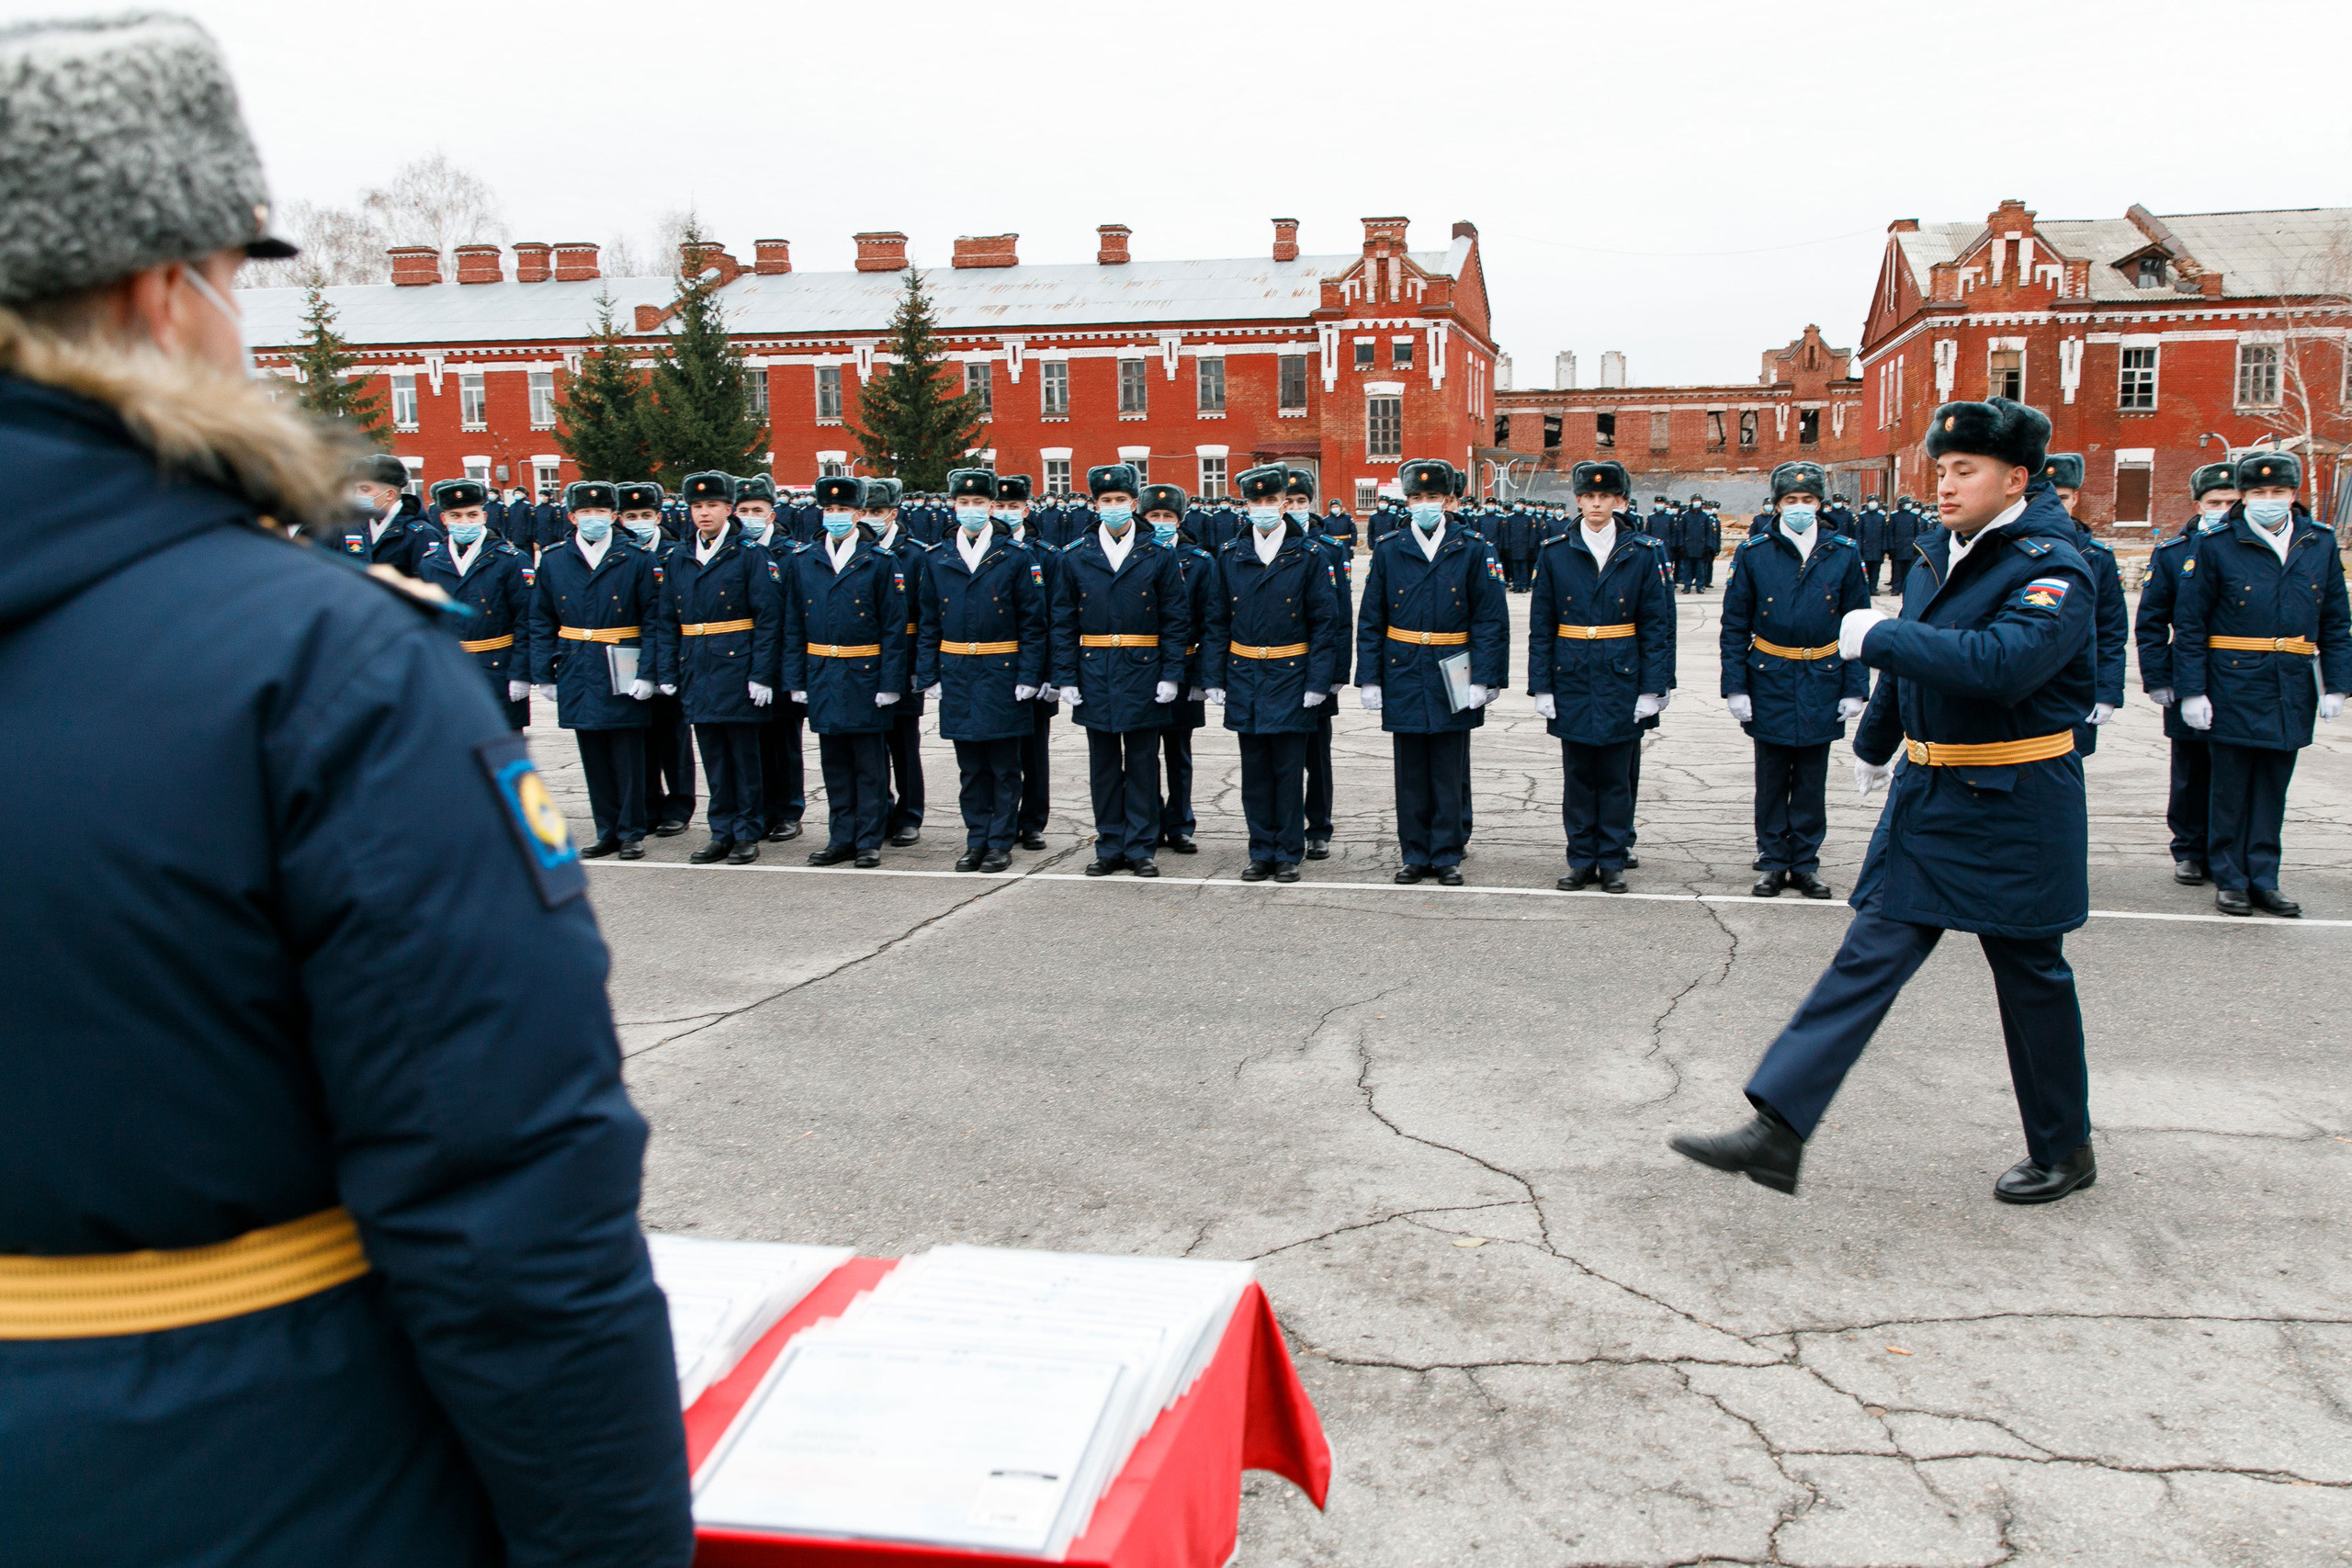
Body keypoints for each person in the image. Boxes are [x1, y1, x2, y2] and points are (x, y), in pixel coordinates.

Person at [0, 21, 693, 1564]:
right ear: (154, 291)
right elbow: (507, 1197)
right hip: (240, 1473)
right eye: (233, 283)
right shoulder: (320, 662)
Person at [1672, 396, 2102, 1204]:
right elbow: (1921, 659)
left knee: (2032, 977)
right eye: (1941, 470)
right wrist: (1876, 741)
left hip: (2018, 802)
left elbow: (2002, 662)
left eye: (1963, 471)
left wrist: (1879, 636)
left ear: (2016, 478)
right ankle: (1777, 1129)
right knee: (1867, 956)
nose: (1944, 485)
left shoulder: (2054, 562)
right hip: (1934, 795)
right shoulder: (1949, 550)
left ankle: (2064, 1147)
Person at [2172, 449, 2351, 917]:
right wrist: (2192, 691)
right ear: (2245, 497)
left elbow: (2335, 619)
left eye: (2278, 492)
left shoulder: (2320, 543)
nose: (2268, 500)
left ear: (2293, 495)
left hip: (2290, 685)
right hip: (2232, 682)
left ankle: (2264, 878)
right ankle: (2230, 878)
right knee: (2229, 789)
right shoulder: (2216, 545)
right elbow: (2190, 624)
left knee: (2273, 788)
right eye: (2257, 492)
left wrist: (2336, 685)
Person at [1720, 461, 1871, 899]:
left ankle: (1804, 863)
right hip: (1769, 676)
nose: (1799, 508)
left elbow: (1857, 622)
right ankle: (1771, 862)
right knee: (1770, 779)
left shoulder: (1843, 552)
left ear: (1820, 504)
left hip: (1823, 675)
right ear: (1777, 505)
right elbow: (1734, 625)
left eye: (1807, 501)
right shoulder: (1754, 552)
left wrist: (1855, 685)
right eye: (1791, 501)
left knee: (1810, 779)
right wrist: (1736, 686)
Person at [1356, 458, 1510, 885]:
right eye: (1417, 498)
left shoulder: (1474, 547)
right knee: (1409, 769)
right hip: (1403, 666)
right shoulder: (1390, 548)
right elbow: (1372, 617)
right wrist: (1369, 678)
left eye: (1433, 497)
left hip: (1454, 667)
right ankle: (1414, 853)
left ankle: (1446, 853)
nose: (1425, 505)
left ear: (1448, 500)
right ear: (1407, 501)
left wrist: (1486, 677)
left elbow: (1490, 618)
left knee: (1447, 763)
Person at [1529, 459, 1674, 892]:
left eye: (1605, 496)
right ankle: (1580, 858)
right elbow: (1542, 624)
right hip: (1571, 672)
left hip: (1621, 675)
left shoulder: (1644, 552)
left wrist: (1654, 687)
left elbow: (1658, 624)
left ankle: (1611, 859)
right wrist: (1542, 685)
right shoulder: (1555, 551)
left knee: (1614, 776)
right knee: (1578, 777)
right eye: (1589, 496)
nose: (1596, 503)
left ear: (1620, 501)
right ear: (1577, 500)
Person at [1201, 462, 1344, 881]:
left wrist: (1319, 682)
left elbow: (1325, 623)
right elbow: (1215, 622)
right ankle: (1260, 850)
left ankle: (1288, 851)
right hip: (1245, 672)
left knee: (1287, 769)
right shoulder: (1230, 555)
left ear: (1284, 504)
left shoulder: (1311, 555)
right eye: (1255, 501)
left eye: (1270, 500)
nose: (1263, 508)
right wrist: (1213, 677)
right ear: (1245, 506)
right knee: (1255, 773)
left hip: (1291, 674)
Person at [1052, 462, 1189, 876]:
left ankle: (1142, 846)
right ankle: (1109, 844)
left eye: (1120, 500)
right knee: (1105, 765)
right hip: (1095, 669)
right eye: (1105, 500)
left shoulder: (1158, 555)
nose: (1113, 506)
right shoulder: (1075, 557)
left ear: (1133, 503)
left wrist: (1171, 673)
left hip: (1143, 670)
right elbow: (1061, 621)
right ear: (1095, 505)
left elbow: (1174, 619)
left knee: (1144, 763)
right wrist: (1066, 677)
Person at [918, 468, 1048, 872]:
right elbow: (927, 622)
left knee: (1004, 765)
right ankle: (976, 838)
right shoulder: (938, 558)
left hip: (1002, 671)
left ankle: (1000, 841)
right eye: (963, 503)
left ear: (991, 507)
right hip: (957, 669)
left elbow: (1033, 623)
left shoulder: (1016, 556)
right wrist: (929, 675)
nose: (970, 510)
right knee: (970, 767)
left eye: (978, 503)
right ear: (953, 506)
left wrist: (1029, 675)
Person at [780, 474, 910, 866]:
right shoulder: (804, 560)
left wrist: (891, 682)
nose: (836, 516)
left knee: (869, 763)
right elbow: (792, 624)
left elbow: (893, 626)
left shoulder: (881, 561)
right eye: (830, 509)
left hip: (865, 673)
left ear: (858, 513)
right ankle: (841, 837)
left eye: (844, 510)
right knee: (834, 762)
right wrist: (795, 679)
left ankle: (868, 839)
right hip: (822, 670)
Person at [531, 479, 664, 858]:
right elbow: (540, 617)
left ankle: (632, 831)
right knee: (593, 753)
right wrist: (543, 673)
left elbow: (653, 619)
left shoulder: (637, 558)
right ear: (572, 516)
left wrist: (647, 673)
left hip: (621, 662)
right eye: (586, 512)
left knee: (628, 754)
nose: (594, 519)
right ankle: (606, 829)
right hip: (576, 663)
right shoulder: (555, 558)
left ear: (614, 516)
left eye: (601, 512)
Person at [655, 470, 783, 865]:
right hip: (697, 666)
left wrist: (762, 674)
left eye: (712, 505)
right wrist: (667, 671)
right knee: (712, 755)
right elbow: (665, 620)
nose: (704, 513)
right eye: (697, 506)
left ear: (729, 508)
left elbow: (768, 619)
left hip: (738, 666)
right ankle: (720, 831)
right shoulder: (678, 555)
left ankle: (747, 831)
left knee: (744, 758)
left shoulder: (749, 553)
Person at [2134, 463, 2237, 886]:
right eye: (2216, 503)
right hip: (2186, 672)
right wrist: (2159, 678)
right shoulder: (2174, 553)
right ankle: (2190, 848)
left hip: (2238, 677)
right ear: (2198, 504)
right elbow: (2152, 622)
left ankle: (2227, 849)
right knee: (2190, 769)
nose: (2225, 510)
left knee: (2233, 771)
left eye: (2233, 502)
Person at [414, 478, 535, 730]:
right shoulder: (430, 562)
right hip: (449, 670)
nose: (465, 522)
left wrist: (521, 672)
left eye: (472, 515)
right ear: (444, 519)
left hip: (497, 667)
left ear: (483, 516)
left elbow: (527, 619)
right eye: (455, 516)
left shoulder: (511, 560)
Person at [726, 476, 806, 841]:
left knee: (783, 743)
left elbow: (794, 615)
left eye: (757, 510)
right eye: (743, 511)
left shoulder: (792, 554)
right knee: (750, 745)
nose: (750, 517)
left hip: (781, 662)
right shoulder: (733, 551)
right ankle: (755, 810)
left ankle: (788, 810)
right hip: (745, 661)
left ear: (772, 514)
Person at [1142, 482, 1214, 854]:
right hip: (1142, 665)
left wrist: (1201, 676)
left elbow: (1209, 622)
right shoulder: (1136, 555)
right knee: (1143, 752)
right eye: (1153, 516)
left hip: (1183, 664)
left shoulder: (1199, 562)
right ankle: (1150, 821)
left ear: (1179, 520)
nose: (1160, 522)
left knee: (1179, 752)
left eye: (1167, 516)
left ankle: (1181, 823)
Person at [2040, 454, 2126, 758]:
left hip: (2077, 690)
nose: (2053, 505)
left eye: (2062, 497)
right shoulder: (2010, 550)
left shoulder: (2097, 557)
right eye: (2042, 496)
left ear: (2075, 498)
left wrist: (2107, 693)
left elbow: (2112, 630)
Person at [989, 473, 1059, 849]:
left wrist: (1050, 673)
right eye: (999, 505)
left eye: (1012, 506)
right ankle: (998, 819)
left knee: (1033, 751)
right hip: (992, 665)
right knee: (998, 751)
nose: (1005, 512)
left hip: (1033, 664)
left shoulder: (1045, 555)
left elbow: (1052, 619)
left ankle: (1031, 820)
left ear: (1026, 509)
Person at [857, 477, 928, 846]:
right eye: (865, 510)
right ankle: (877, 811)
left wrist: (919, 667)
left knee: (904, 744)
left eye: (878, 511)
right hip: (866, 662)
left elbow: (925, 615)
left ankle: (909, 813)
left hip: (904, 660)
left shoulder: (915, 555)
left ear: (893, 513)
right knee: (871, 745)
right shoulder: (855, 550)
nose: (870, 518)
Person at [1289, 468, 1352, 862]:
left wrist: (1336, 673)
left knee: (1317, 755)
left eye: (1300, 501)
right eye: (1289, 501)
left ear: (1310, 503)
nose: (1294, 508)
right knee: (1282, 753)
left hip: (1319, 663)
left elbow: (1341, 615)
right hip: (1278, 667)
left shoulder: (1329, 548)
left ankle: (1319, 827)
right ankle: (1288, 823)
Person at [342, 450, 443, 571]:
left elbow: (429, 581)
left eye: (365, 489)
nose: (357, 494)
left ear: (390, 494)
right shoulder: (355, 527)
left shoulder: (421, 534)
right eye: (355, 489)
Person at [1856, 494, 1890, 593]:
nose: (1873, 503)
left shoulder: (1881, 517)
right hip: (1865, 548)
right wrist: (1859, 547)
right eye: (1871, 501)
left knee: (1876, 570)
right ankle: (1865, 588)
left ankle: (1873, 588)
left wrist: (1884, 548)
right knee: (1865, 570)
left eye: (1875, 501)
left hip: (1877, 548)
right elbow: (1859, 533)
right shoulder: (1862, 517)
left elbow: (1884, 533)